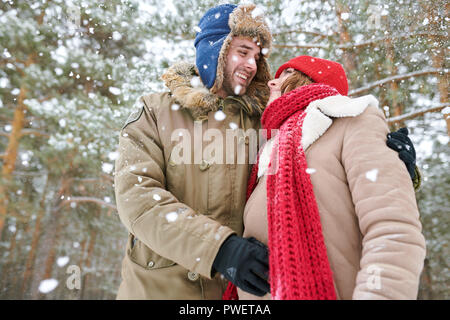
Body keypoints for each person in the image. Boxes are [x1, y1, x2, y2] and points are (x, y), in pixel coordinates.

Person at [114, 3, 418, 300]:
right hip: (162, 287)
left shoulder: (268, 122)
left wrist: (390, 164)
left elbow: (321, 172)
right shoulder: (154, 111)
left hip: (243, 292)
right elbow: (138, 199)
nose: (252, 64)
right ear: (213, 50)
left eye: (257, 56)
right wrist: (218, 248)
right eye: (242, 52)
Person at [223, 56, 426, 300]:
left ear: (310, 80)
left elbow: (393, 230)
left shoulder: (353, 120)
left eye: (286, 74)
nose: (272, 83)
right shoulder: (265, 153)